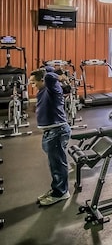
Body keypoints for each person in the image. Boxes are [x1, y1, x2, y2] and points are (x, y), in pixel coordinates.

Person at [29, 67, 71, 206]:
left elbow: (50, 76)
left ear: (43, 80)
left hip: (57, 131)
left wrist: (60, 75)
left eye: (34, 82)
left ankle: (61, 192)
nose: (32, 86)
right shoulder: (43, 90)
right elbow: (48, 71)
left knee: (58, 164)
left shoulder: (53, 88)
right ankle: (56, 188)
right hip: (51, 132)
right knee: (55, 164)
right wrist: (45, 69)